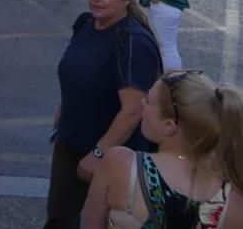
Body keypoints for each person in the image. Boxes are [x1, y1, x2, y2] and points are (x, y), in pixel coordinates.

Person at [44, 0, 161, 229]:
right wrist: (64, 110)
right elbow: (77, 72)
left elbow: (132, 111)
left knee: (110, 221)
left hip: (112, 153)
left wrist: (99, 153)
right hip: (70, 142)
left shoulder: (133, 42)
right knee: (60, 217)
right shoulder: (85, 23)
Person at [82, 70, 239, 228]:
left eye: (149, 101)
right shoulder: (231, 197)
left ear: (169, 126)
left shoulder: (120, 165)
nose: (143, 102)